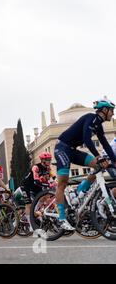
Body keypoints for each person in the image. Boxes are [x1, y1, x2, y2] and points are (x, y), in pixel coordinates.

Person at [54, 98, 116, 230]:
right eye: (112, 111)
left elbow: (105, 144)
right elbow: (87, 140)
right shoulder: (91, 118)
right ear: (104, 110)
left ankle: (79, 192)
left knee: (98, 166)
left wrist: (114, 162)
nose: (113, 114)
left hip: (73, 150)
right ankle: (61, 218)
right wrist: (98, 156)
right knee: (62, 183)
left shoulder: (99, 125)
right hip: (62, 148)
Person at [20, 152, 56, 230]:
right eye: (47, 160)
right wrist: (48, 185)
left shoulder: (48, 168)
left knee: (45, 197)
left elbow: (54, 177)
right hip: (26, 185)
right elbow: (36, 180)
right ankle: (31, 224)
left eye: (50, 159)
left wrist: (57, 182)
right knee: (28, 205)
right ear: (42, 160)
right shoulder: (36, 167)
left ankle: (35, 210)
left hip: (35, 186)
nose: (49, 161)